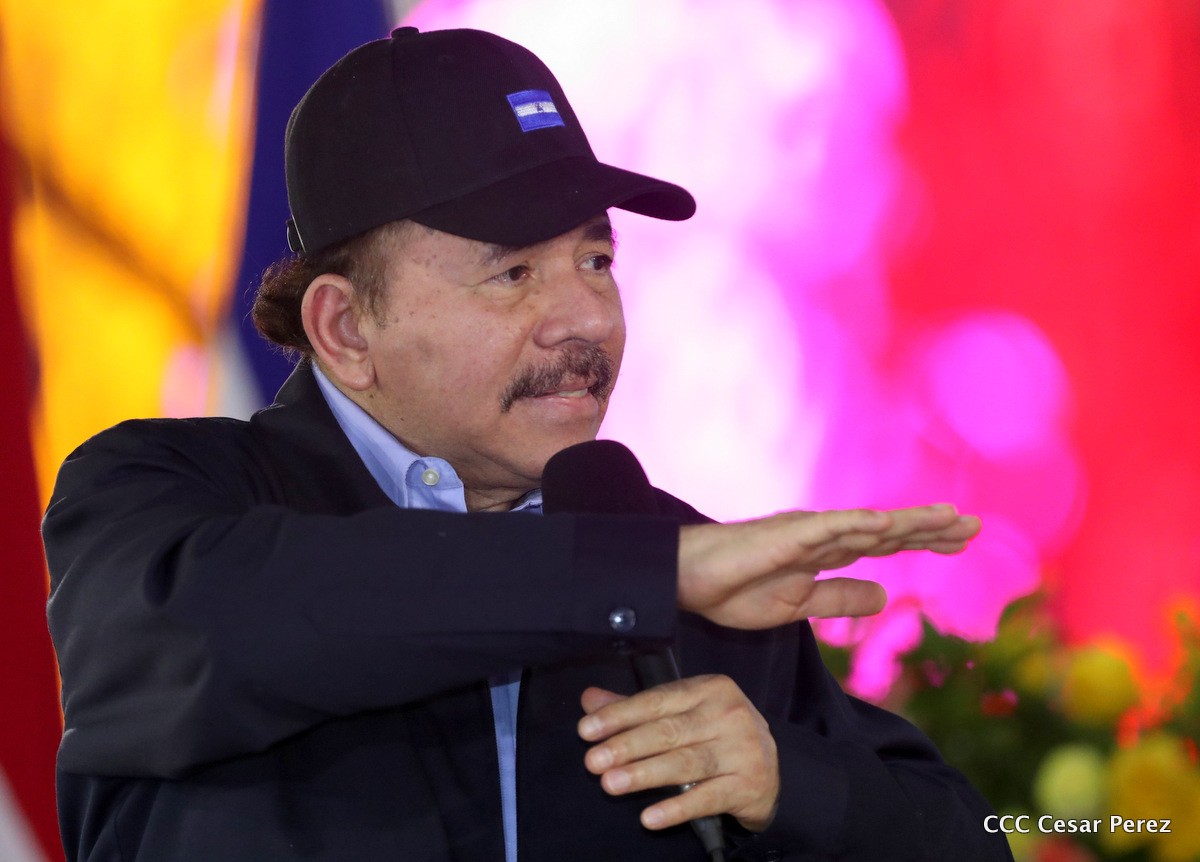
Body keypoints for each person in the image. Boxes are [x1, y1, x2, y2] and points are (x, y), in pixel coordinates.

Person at [43, 26, 1013, 862]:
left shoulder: (682, 564)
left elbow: (970, 838)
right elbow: (243, 619)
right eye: (512, 273)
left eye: (596, 258)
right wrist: (634, 576)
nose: (586, 317)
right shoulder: (163, 496)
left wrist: (786, 784)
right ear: (345, 328)